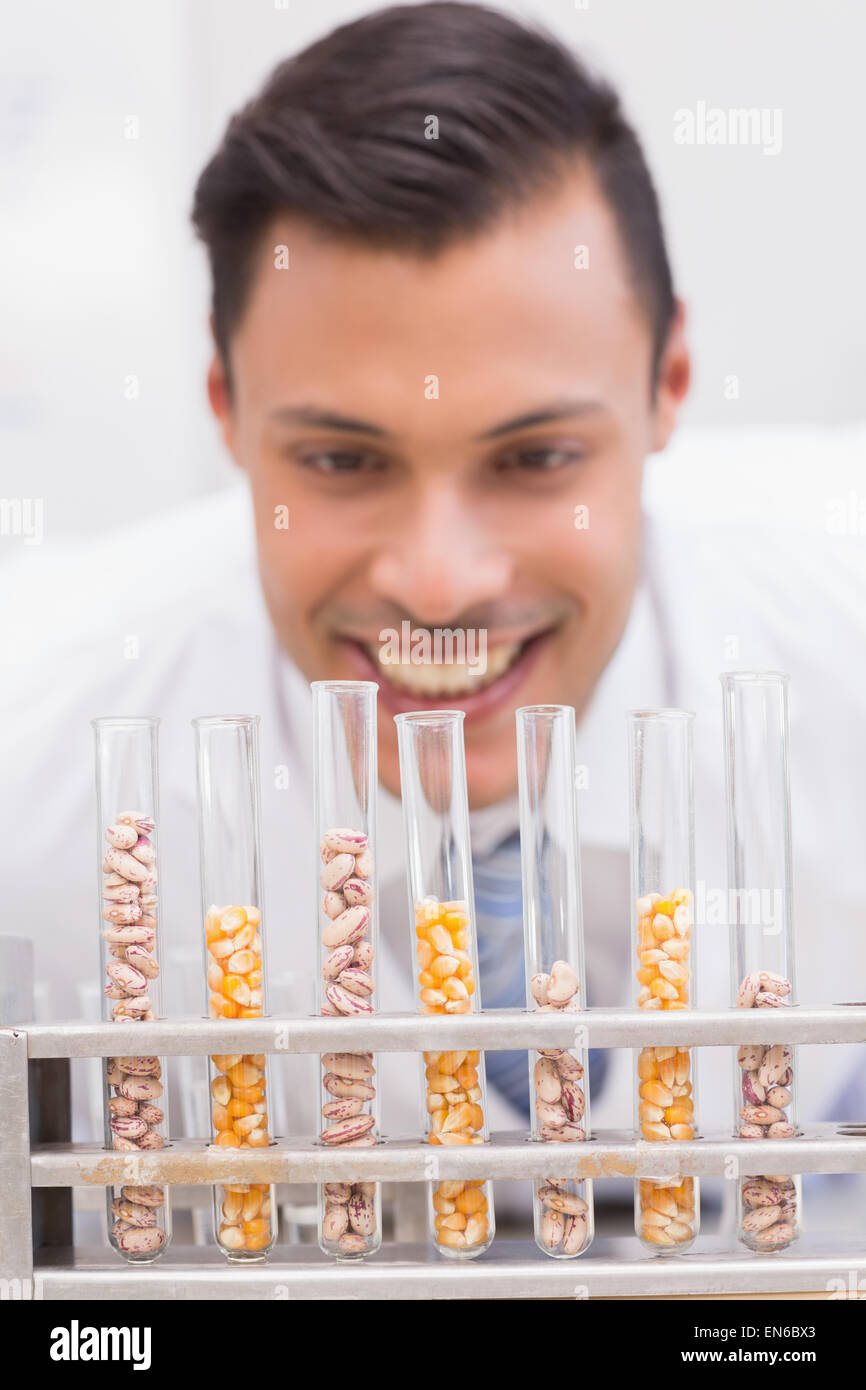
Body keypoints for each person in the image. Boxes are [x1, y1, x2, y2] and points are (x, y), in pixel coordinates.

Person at [2, 3, 865, 1194]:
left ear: (668, 382)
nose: (438, 580)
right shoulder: (32, 744)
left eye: (533, 458)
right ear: (226, 406)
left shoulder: (838, 631)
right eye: (344, 462)